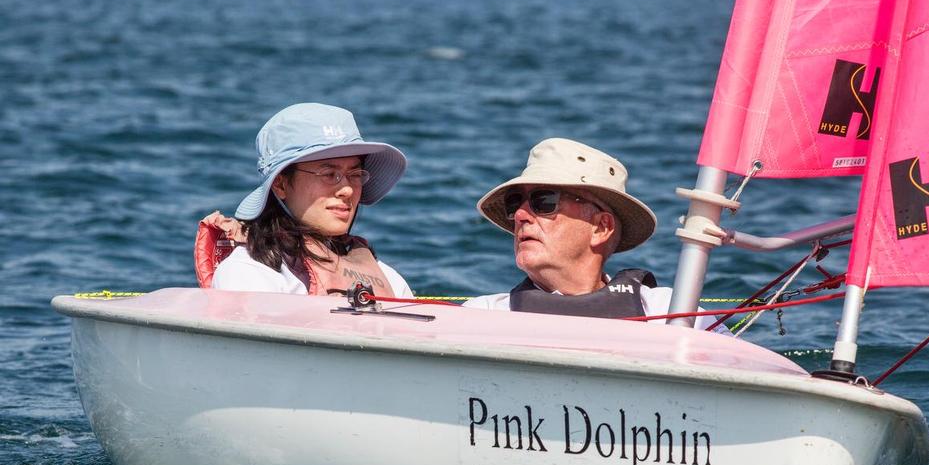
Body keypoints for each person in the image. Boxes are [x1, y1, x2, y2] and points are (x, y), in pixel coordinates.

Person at [463, 138, 723, 329]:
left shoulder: (671, 313)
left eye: (544, 201)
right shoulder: (482, 315)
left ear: (601, 228)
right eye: (514, 203)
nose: (520, 216)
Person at [196, 103, 413, 298]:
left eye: (355, 175)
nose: (347, 189)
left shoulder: (389, 279)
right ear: (280, 185)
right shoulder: (248, 273)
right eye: (329, 174)